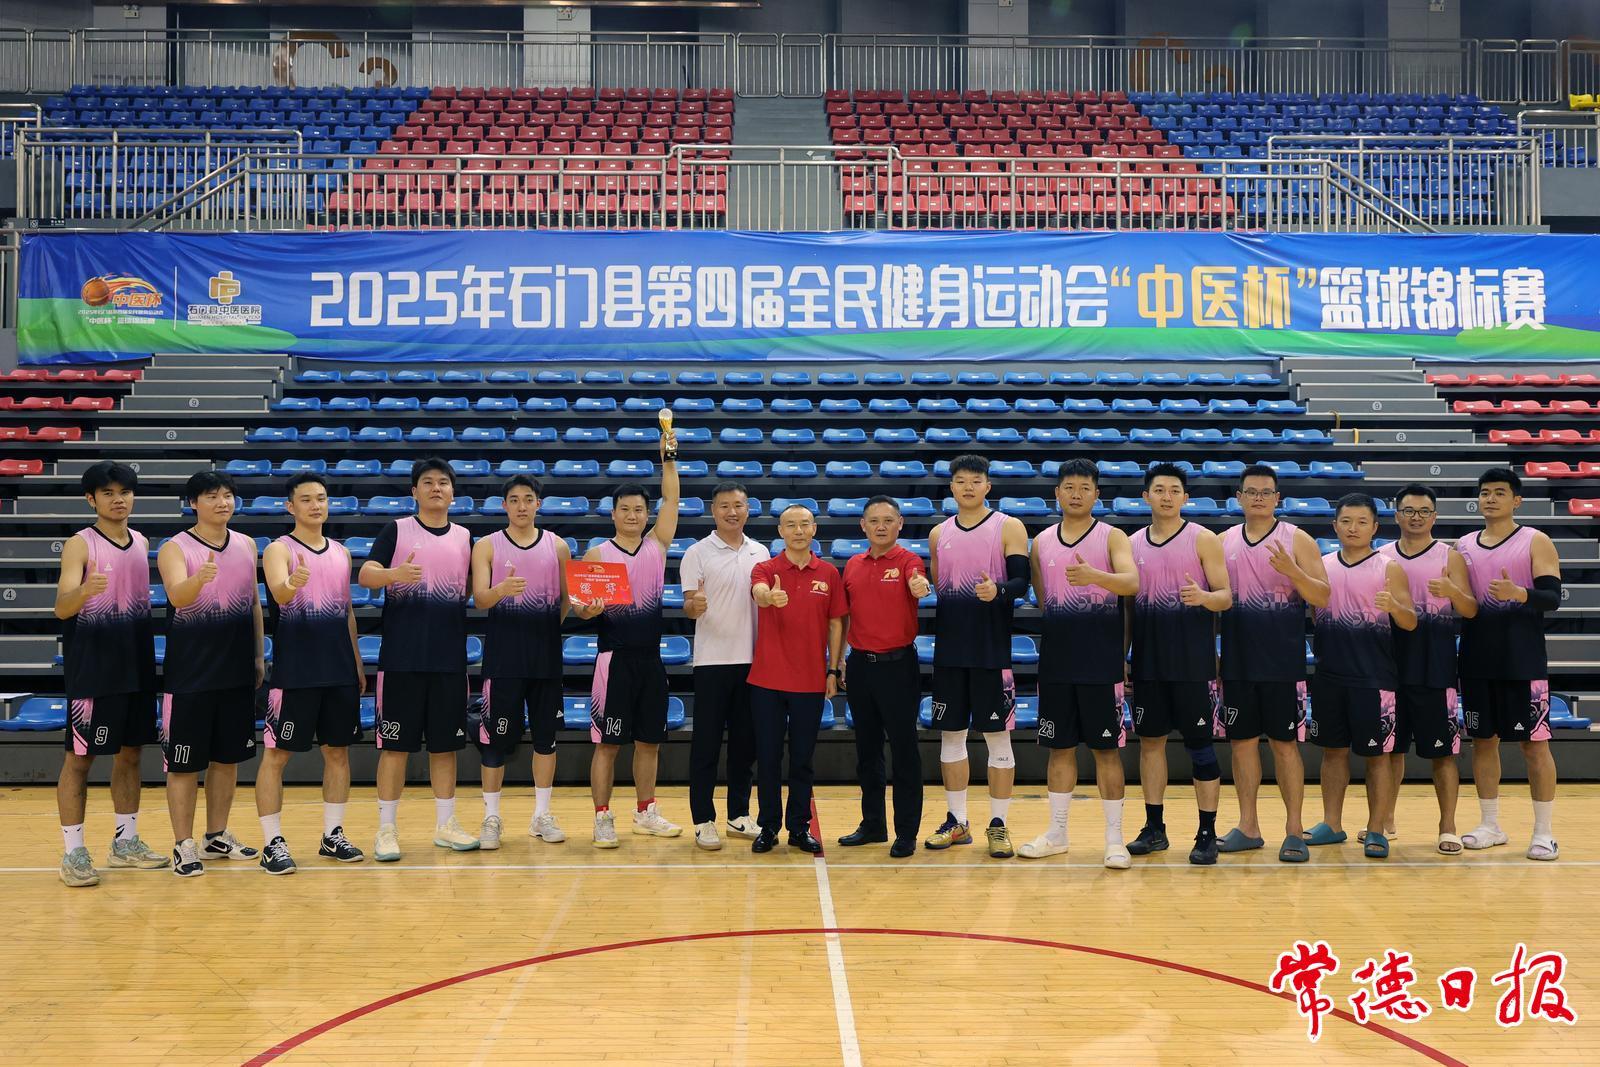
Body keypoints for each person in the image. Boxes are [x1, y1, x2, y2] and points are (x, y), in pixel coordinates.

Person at [1020, 460, 1139, 869]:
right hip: (1057, 662)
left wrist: (1095, 576)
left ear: (1096, 494)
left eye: (1084, 487)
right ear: (1056, 493)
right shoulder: (1041, 542)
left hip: (1101, 663)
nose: (1076, 494)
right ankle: (1057, 833)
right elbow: (1043, 597)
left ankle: (1114, 839)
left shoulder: (1112, 536)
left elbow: (1132, 583)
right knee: (1059, 749)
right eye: (1068, 487)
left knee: (1107, 752)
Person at [358, 457, 478, 861]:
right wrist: (393, 575)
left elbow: (473, 588)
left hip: (449, 660)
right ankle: (386, 829)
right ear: (414, 492)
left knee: (446, 748)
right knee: (394, 748)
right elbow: (366, 575)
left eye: (443, 482)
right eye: (427, 482)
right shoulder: (396, 530)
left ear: (453, 492)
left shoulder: (465, 537)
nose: (436, 488)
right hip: (402, 659)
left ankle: (446, 825)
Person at [53, 461, 167, 886]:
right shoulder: (79, 545)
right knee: (79, 760)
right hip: (94, 669)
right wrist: (85, 590)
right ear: (91, 499)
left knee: (131, 754)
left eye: (125, 492)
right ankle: (73, 852)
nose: (119, 500)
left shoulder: (141, 541)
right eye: (108, 493)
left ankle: (125, 843)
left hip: (135, 665)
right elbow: (61, 608)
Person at [571, 434, 682, 848]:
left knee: (649, 742)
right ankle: (602, 817)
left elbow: (672, 499)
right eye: (625, 509)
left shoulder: (657, 544)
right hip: (613, 660)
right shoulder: (598, 555)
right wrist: (591, 608)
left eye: (639, 509)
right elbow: (581, 610)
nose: (633, 515)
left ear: (646, 514)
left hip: (650, 660)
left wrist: (668, 458)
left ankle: (645, 811)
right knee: (607, 745)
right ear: (613, 513)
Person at [1216, 465, 1329, 864]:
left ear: (1278, 498)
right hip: (1237, 660)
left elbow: (1323, 597)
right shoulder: (1223, 542)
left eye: (1267, 492)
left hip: (1283, 663)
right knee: (1242, 744)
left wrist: (1292, 571)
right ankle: (1248, 826)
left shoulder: (1297, 539)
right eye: (1252, 492)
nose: (1259, 498)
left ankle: (1294, 830)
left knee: (1285, 746)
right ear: (1239, 497)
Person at [256, 472, 366, 874]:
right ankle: (272, 843)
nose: (316, 505)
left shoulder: (341, 552)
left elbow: (347, 611)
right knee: (277, 755)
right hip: (296, 671)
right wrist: (292, 582)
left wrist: (356, 662)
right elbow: (279, 593)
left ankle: (332, 835)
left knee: (337, 753)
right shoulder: (278, 549)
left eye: (321, 498)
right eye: (306, 499)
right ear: (290, 506)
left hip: (338, 669)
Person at [157, 470, 264, 877]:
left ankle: (216, 835)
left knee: (227, 759)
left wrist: (258, 657)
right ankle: (183, 844)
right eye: (212, 496)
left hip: (236, 671)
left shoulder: (246, 544)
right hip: (191, 675)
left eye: (227, 495)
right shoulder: (175, 548)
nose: (222, 502)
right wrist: (198, 579)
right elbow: (176, 596)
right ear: (193, 503)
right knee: (183, 765)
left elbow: (253, 604)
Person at [1125, 463, 1232, 866]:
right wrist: (1123, 655)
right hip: (1149, 663)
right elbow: (1128, 610)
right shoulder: (1132, 544)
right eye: (1159, 490)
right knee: (1151, 745)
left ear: (1185, 498)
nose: (1166, 496)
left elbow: (1226, 596)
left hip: (1193, 664)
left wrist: (1204, 598)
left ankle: (1207, 832)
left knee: (1200, 748)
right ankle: (1155, 828)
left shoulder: (1203, 539)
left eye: (1174, 490)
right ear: (1146, 497)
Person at [925, 454, 1031, 859]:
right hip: (951, 652)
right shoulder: (939, 533)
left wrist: (998, 590)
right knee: (951, 737)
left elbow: (1022, 581)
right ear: (951, 487)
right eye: (960, 481)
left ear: (987, 486)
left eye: (975, 480)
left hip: (991, 652)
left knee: (998, 739)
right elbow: (940, 585)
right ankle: (957, 821)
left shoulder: (1009, 526)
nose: (968, 487)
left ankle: (999, 824)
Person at [1455, 468, 1562, 861]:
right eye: (1485, 492)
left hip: (1523, 660)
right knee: (1483, 742)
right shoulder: (1463, 545)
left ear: (1516, 500)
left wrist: (1519, 593)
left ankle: (1544, 832)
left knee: (1535, 745)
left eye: (1500, 492)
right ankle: (1490, 825)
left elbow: (1552, 598)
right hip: (1476, 659)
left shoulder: (1536, 540)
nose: (1491, 498)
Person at [1304, 493, 1416, 860]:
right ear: (1335, 525)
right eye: (1346, 521)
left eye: (1362, 522)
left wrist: (1394, 606)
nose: (1353, 528)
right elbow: (1316, 615)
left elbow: (1410, 622)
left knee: (1378, 756)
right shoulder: (1321, 566)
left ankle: (1377, 828)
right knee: (1332, 752)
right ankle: (1331, 823)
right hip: (1330, 675)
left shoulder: (1389, 568)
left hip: (1375, 678)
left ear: (1375, 527)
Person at [470, 475, 571, 849]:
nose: (522, 506)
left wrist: (543, 627)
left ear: (538, 504)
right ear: (504, 506)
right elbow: (480, 599)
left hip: (545, 659)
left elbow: (566, 600)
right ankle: (491, 818)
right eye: (514, 500)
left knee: (546, 739)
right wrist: (501, 590)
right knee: (494, 743)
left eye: (528, 499)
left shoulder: (558, 546)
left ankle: (541, 815)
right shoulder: (487, 546)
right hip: (503, 661)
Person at [1375, 483, 1477, 855]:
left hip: (1435, 666)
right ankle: (1384, 820)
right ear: (1396, 514)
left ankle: (1447, 826)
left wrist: (1453, 592)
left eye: (1423, 511)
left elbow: (1470, 610)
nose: (1416, 517)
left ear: (1434, 516)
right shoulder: (1381, 556)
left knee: (1443, 753)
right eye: (1409, 510)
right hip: (1388, 665)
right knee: (1389, 750)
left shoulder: (1449, 556)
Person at [748, 504, 846, 854]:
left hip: (810, 681)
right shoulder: (766, 568)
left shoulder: (829, 573)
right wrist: (768, 597)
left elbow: (836, 623)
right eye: (791, 525)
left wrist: (833, 669)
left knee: (803, 759)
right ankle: (768, 826)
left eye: (804, 524)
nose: (799, 531)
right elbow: (758, 591)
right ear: (780, 531)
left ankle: (799, 827)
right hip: (767, 681)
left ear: (814, 529)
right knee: (768, 758)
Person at [678, 481, 768, 851]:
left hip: (753, 662)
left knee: (745, 745)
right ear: (713, 510)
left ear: (748, 508)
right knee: (706, 745)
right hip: (712, 662)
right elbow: (689, 605)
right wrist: (693, 606)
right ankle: (703, 820)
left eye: (739, 505)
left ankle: (739, 814)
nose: (732, 511)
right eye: (725, 505)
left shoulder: (761, 552)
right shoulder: (696, 553)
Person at [838, 496, 929, 858]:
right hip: (861, 665)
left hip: (898, 667)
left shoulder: (909, 561)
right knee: (867, 750)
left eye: (888, 520)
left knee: (904, 751)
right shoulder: (853, 565)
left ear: (900, 524)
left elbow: (918, 581)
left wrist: (919, 586)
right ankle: (873, 823)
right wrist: (840, 660)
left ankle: (906, 831)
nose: (880, 526)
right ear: (863, 525)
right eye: (874, 520)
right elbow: (844, 616)